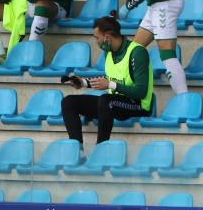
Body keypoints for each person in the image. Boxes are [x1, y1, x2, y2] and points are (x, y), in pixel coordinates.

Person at [60, 16, 153, 152]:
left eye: (97, 38)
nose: (97, 41)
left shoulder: (137, 53)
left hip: (137, 105)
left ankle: (100, 150)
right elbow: (111, 80)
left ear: (107, 37)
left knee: (106, 100)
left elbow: (141, 92)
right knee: (69, 102)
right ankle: (77, 150)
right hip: (113, 103)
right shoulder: (108, 53)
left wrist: (111, 85)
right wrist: (83, 83)